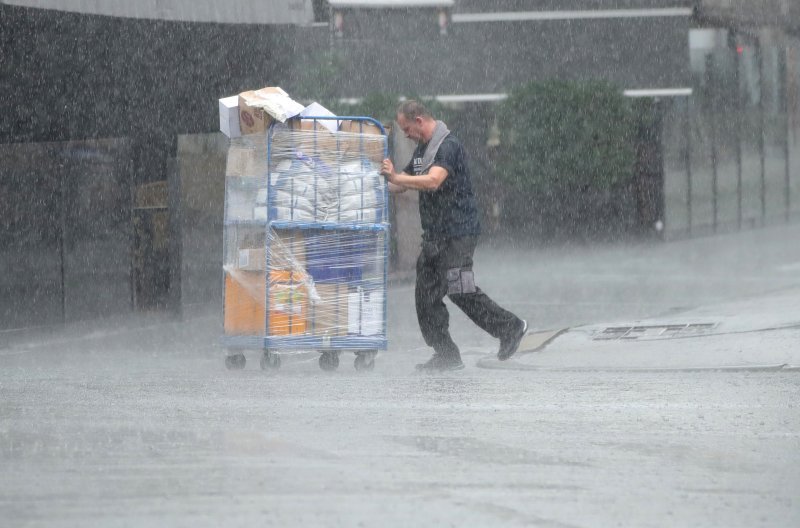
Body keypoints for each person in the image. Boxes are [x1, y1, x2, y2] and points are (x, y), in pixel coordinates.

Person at [381, 100, 527, 372]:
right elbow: (399, 182)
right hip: (436, 236)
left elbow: (433, 180)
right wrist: (375, 179)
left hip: (458, 233)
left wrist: (398, 180)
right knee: (425, 296)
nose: (405, 134)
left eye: (406, 129)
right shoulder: (423, 151)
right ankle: (446, 354)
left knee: (461, 290)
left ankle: (511, 328)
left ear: (419, 121)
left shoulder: (447, 146)